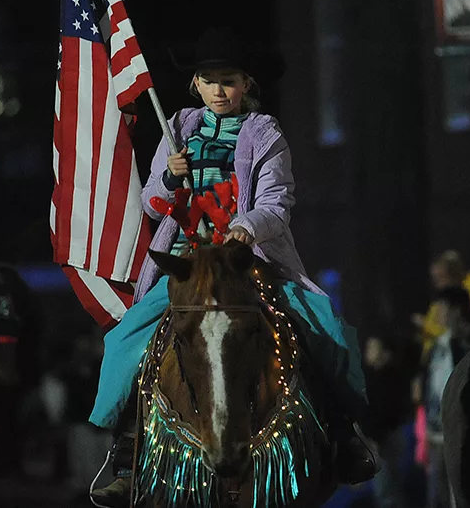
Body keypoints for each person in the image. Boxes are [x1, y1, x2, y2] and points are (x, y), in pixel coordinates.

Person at [89, 26, 377, 506]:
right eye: (210, 81)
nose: (219, 91)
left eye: (229, 81)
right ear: (196, 85)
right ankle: (125, 451)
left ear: (247, 85)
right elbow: (155, 205)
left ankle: (344, 434)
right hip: (187, 264)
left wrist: (247, 225)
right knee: (126, 336)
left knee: (324, 325)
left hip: (247, 259)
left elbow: (277, 201)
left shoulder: (266, 134)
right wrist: (166, 175)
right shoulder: (176, 127)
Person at [420, 287, 470, 508]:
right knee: (438, 496)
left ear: (457, 310)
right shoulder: (440, 344)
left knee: (459, 495)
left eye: (443, 308)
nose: (438, 313)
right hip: (438, 433)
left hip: (459, 433)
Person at [419, 250, 470, 360]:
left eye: (441, 278)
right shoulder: (441, 300)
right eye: (434, 279)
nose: (437, 285)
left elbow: (459, 332)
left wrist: (426, 326)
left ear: (455, 275)